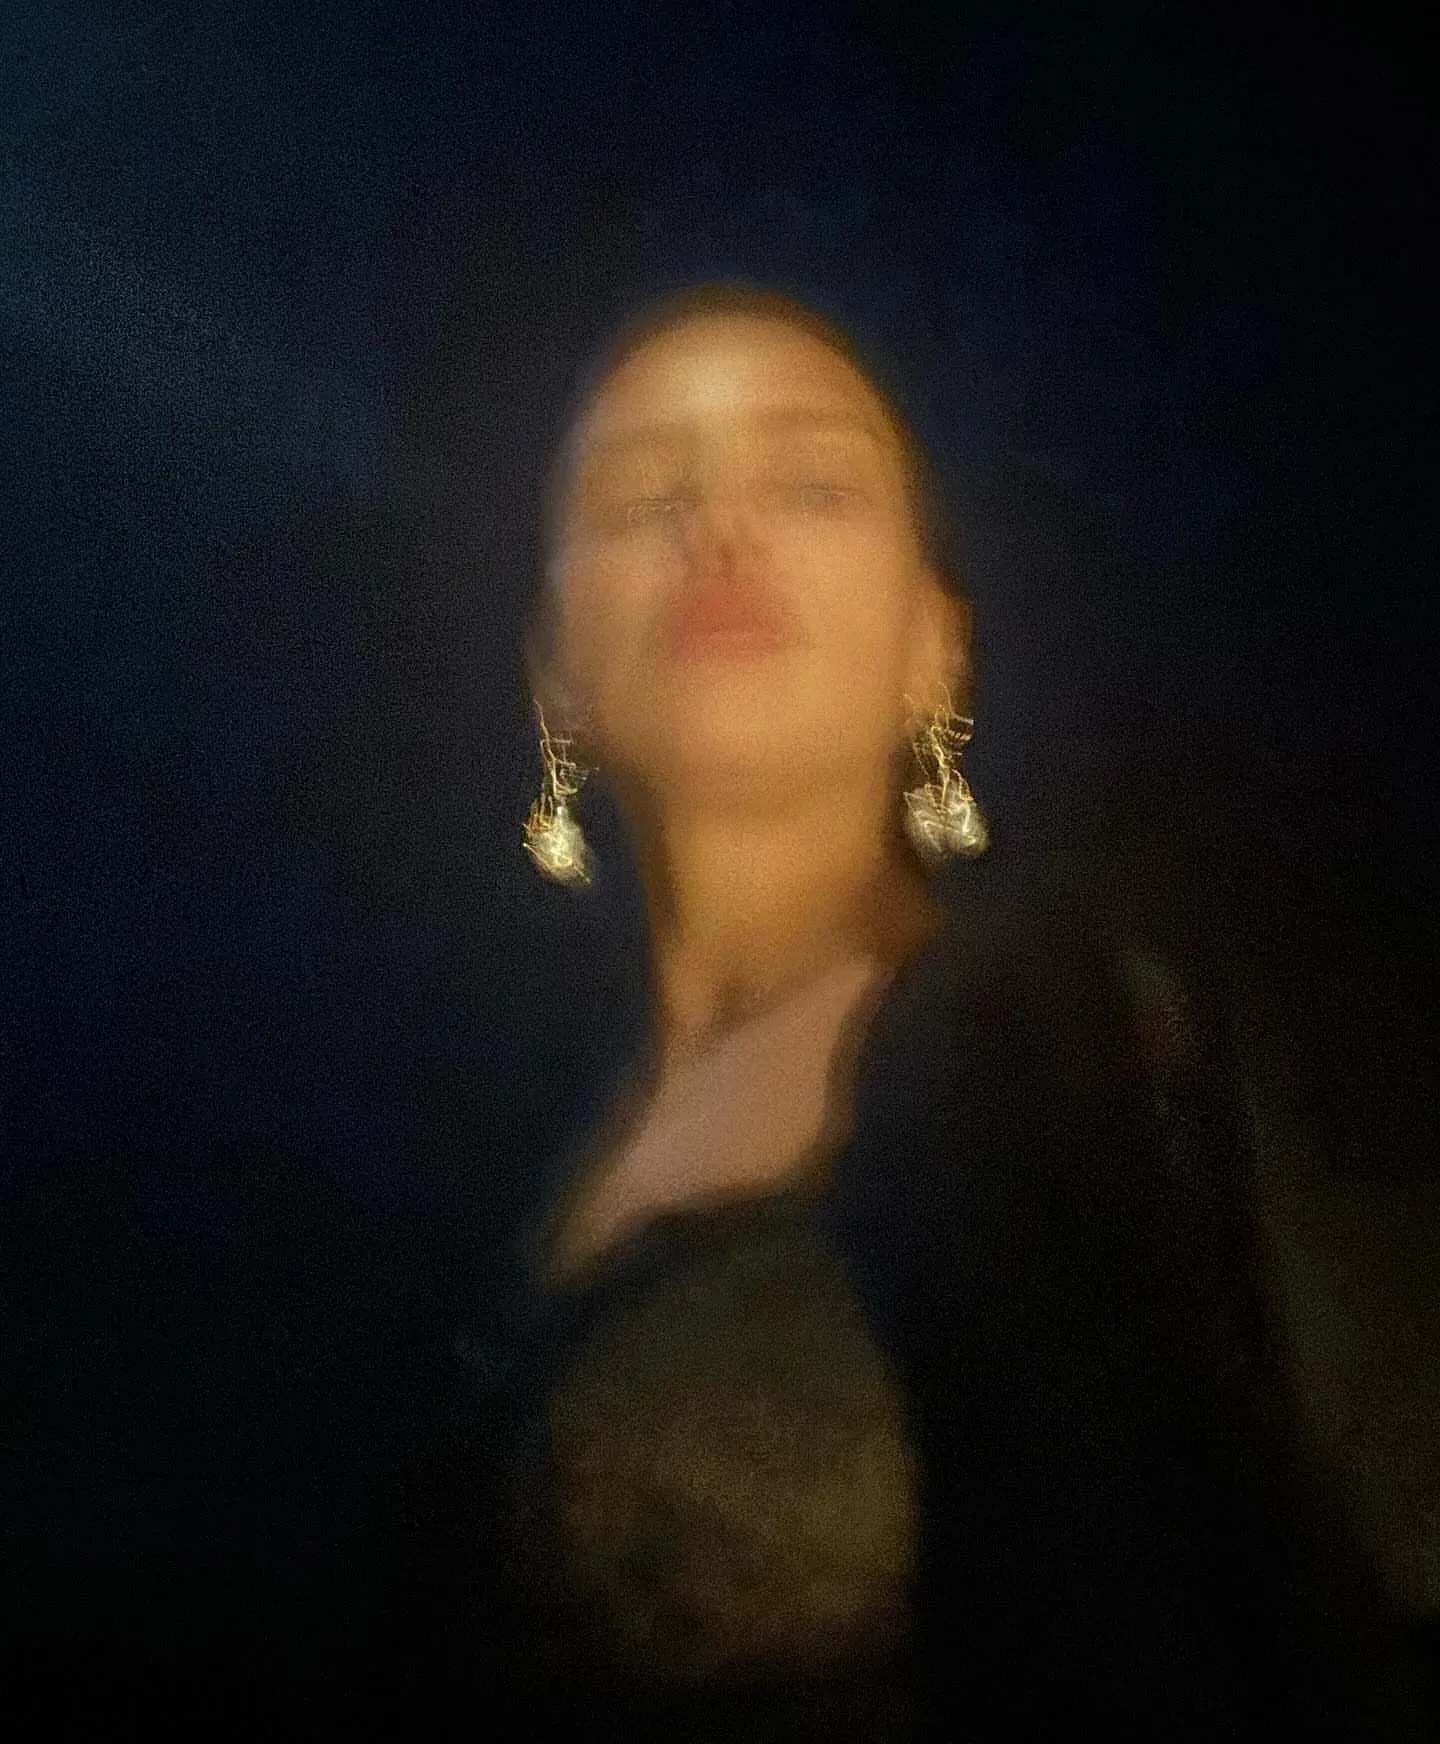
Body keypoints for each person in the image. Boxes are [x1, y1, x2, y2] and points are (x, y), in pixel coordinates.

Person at [372, 285, 1422, 1740]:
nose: (720, 529)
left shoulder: (1125, 1026)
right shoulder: (464, 1150)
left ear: (936, 646)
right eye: (642, 498)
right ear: (555, 672)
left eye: (812, 483)